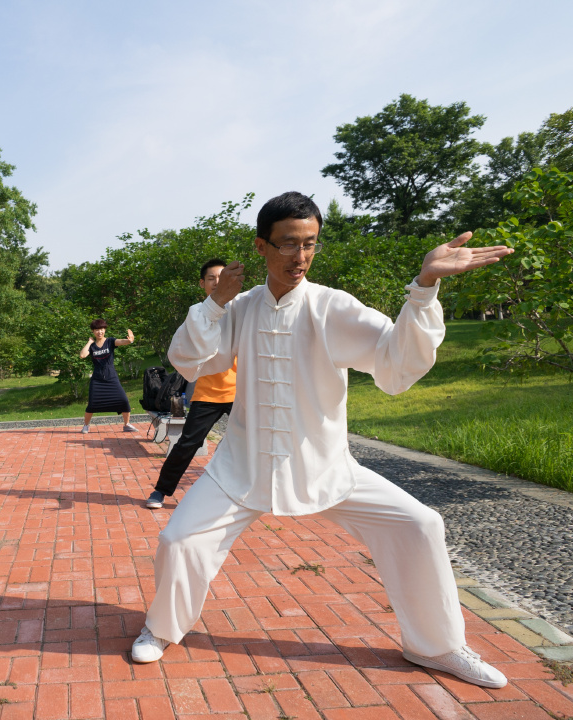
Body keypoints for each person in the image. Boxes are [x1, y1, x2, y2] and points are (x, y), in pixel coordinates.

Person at [130, 192, 515, 690]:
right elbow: (192, 362)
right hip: (241, 467)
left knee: (419, 525)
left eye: (310, 244)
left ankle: (435, 646)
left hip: (325, 465)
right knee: (178, 540)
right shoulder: (240, 309)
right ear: (262, 246)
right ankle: (162, 629)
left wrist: (424, 286)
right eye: (288, 244)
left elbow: (395, 364)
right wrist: (214, 302)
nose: (300, 256)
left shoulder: (332, 306)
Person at [145, 259, 237, 509]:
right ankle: (161, 491)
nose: (217, 282)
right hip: (208, 393)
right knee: (188, 442)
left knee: (257, 439)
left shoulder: (241, 310)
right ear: (202, 283)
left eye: (222, 277)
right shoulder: (197, 313)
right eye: (211, 278)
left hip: (241, 392)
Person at [79, 320, 137, 434]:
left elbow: (120, 342)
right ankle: (86, 426)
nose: (99, 332)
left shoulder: (110, 341)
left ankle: (126, 424)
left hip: (111, 377)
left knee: (123, 400)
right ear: (93, 331)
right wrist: (89, 342)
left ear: (104, 330)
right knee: (92, 404)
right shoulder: (92, 346)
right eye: (97, 330)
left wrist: (129, 340)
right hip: (97, 379)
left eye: (101, 329)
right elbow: (82, 355)